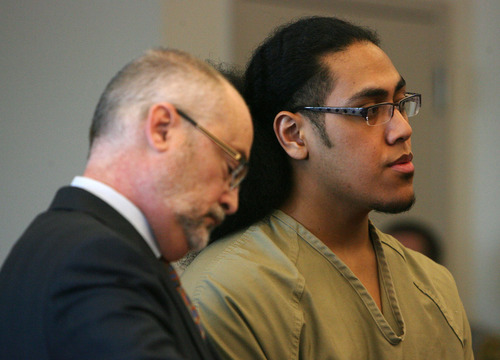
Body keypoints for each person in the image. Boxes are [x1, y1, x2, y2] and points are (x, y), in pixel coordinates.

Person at [181, 16, 474, 359]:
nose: (402, 129)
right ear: (294, 135)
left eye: (399, 103)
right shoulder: (228, 291)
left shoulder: (434, 285)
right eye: (370, 110)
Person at [0, 48, 253, 359]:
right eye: (231, 169)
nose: (232, 201)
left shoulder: (51, 241)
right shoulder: (97, 260)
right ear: (162, 129)